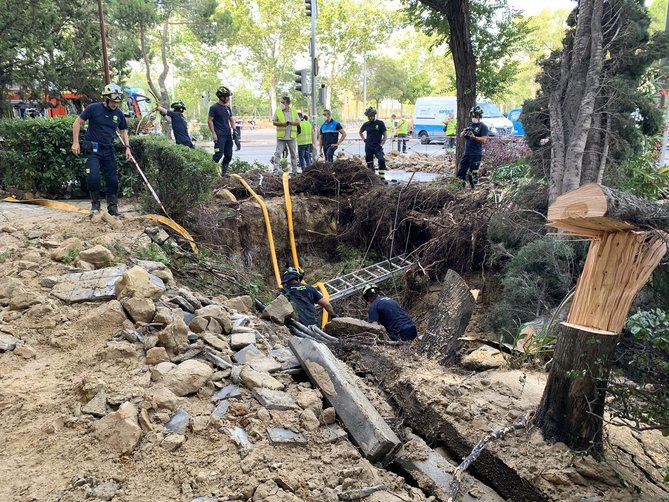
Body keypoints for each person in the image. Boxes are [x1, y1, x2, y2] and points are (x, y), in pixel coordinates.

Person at [71, 83, 131, 215]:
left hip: (109, 150)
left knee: (113, 180)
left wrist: (127, 148)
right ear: (106, 98)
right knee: (93, 177)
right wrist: (75, 142)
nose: (115, 104)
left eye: (117, 102)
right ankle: (95, 205)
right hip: (93, 149)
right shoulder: (93, 108)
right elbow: (77, 122)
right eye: (113, 101)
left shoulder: (119, 114)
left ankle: (112, 207)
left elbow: (123, 130)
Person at [457, 105, 488, 189]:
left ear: (479, 116)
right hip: (467, 153)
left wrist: (474, 137)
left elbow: (484, 139)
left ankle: (474, 189)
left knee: (473, 173)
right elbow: (461, 135)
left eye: (475, 115)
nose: (473, 117)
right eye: (473, 115)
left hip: (476, 153)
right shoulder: (470, 124)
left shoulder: (483, 127)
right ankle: (460, 188)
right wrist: (463, 132)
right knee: (461, 171)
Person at [208, 85, 236, 176]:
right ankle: (208, 171)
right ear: (222, 97)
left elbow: (231, 119)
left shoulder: (227, 108)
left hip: (228, 135)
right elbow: (209, 121)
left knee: (228, 155)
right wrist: (213, 134)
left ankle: (224, 172)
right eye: (227, 96)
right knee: (218, 155)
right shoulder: (214, 108)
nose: (228, 98)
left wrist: (234, 130)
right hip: (219, 136)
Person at [272, 96, 300, 174]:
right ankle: (276, 171)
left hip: (291, 137)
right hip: (281, 137)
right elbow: (274, 122)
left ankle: (294, 171)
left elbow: (298, 122)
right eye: (281, 102)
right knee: (277, 154)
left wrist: (291, 123)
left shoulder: (293, 111)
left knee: (293, 154)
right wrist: (282, 124)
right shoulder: (278, 111)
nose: (281, 104)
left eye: (283, 102)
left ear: (288, 103)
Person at [359, 107, 387, 178]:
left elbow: (385, 135)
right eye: (368, 116)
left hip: (378, 146)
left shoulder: (380, 123)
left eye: (370, 116)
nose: (369, 118)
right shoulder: (366, 124)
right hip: (368, 147)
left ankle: (382, 177)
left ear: (374, 115)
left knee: (381, 160)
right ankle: (372, 178)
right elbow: (360, 132)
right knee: (369, 163)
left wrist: (381, 144)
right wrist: (364, 139)